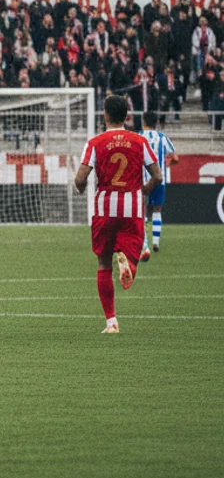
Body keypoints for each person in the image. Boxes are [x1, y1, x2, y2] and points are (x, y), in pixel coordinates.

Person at [74, 96, 162, 334]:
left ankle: (111, 322)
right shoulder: (139, 141)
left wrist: (80, 188)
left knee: (103, 264)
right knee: (134, 252)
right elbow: (158, 176)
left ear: (105, 115)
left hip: (105, 209)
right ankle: (129, 267)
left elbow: (80, 179)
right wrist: (142, 191)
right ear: (127, 116)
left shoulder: (95, 142)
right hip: (132, 207)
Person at [138, 111, 178, 260]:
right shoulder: (162, 137)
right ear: (157, 123)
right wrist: (167, 165)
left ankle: (144, 244)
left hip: (142, 180)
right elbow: (175, 157)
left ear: (143, 122)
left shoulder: (138, 136)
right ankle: (155, 243)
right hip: (159, 178)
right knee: (157, 209)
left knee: (141, 211)